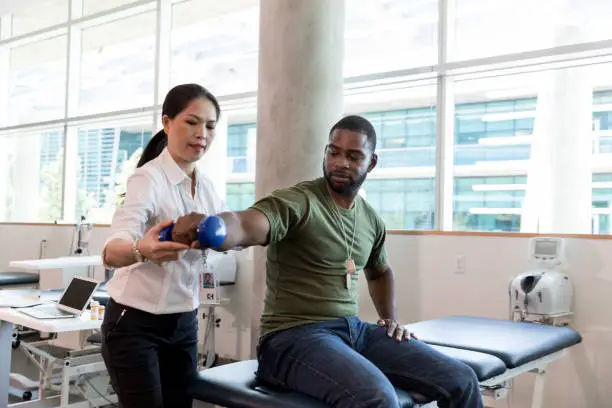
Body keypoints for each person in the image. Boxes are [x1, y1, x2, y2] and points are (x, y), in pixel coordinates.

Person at [172, 115, 483, 408]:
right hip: (292, 338)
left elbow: (380, 271)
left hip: (353, 332)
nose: (340, 163)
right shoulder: (299, 201)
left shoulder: (371, 220)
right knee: (377, 399)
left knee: (462, 379)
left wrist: (390, 319)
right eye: (333, 152)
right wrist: (216, 227)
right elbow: (247, 223)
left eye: (353, 156)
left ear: (371, 163)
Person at [100, 83, 227, 408]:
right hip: (135, 324)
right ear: (167, 122)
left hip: (184, 321)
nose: (202, 134)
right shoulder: (147, 179)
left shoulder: (209, 188)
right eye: (192, 122)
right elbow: (111, 251)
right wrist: (142, 250)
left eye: (210, 126)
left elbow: (229, 236)